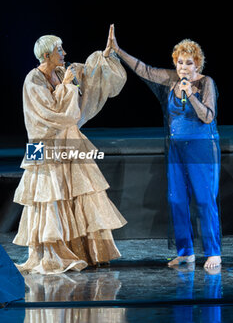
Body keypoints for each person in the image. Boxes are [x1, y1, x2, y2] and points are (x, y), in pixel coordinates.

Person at [13, 29, 127, 274]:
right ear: (46, 55)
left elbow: (90, 75)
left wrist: (105, 54)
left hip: (69, 141)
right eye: (59, 50)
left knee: (82, 191)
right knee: (47, 196)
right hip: (41, 145)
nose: (64, 53)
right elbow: (48, 113)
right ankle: (53, 252)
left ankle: (90, 252)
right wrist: (66, 89)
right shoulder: (32, 80)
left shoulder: (62, 73)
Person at [109, 24, 221, 269]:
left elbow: (208, 117)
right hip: (177, 149)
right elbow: (144, 69)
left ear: (198, 64)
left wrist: (190, 94)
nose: (183, 67)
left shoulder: (206, 83)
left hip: (201, 149)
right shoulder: (171, 79)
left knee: (204, 200)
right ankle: (186, 252)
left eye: (189, 63)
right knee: (177, 200)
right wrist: (117, 50)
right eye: (180, 62)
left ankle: (213, 252)